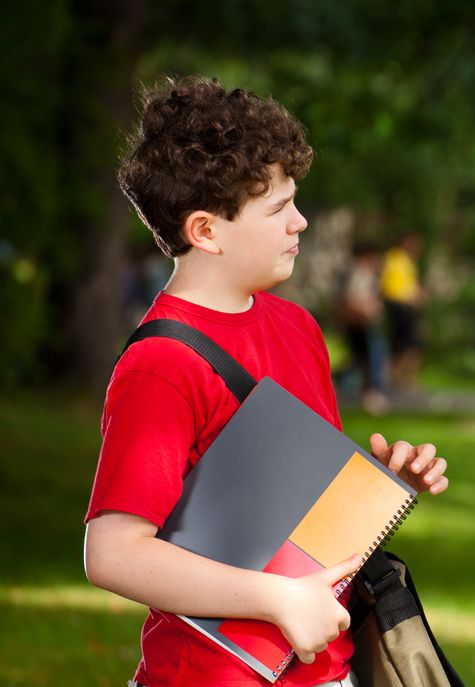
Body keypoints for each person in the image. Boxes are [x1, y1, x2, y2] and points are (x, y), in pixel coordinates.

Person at [83, 77, 449, 687]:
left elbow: (285, 513)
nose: (300, 222)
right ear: (205, 232)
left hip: (325, 669)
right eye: (278, 208)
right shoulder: (162, 365)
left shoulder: (298, 326)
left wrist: (381, 490)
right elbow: (113, 553)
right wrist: (277, 600)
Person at [337, 240, 390, 415]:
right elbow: (352, 298)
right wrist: (367, 311)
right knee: (371, 355)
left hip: (359, 321)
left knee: (359, 358)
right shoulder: (359, 272)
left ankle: (339, 383)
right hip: (360, 322)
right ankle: (372, 392)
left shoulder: (358, 272)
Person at [380, 233, 424, 388]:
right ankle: (397, 377)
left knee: (408, 342)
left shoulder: (406, 260)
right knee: (404, 342)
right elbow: (391, 285)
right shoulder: (394, 258)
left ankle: (403, 377)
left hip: (404, 305)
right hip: (398, 305)